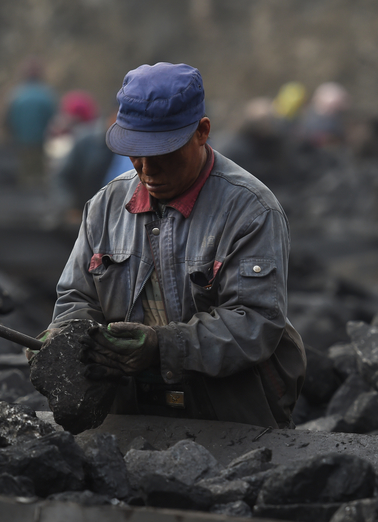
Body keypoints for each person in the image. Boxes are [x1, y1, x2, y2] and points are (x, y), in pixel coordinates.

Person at [43, 63, 306, 429]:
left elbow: (257, 321)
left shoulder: (250, 210)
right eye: (136, 152)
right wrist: (70, 339)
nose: (147, 169)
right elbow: (76, 298)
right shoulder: (105, 206)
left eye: (164, 152)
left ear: (202, 132)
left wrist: (163, 346)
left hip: (228, 413)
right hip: (130, 410)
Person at [3, 57, 56, 190]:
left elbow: (7, 120)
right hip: (41, 144)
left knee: (24, 178)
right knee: (40, 179)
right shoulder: (47, 94)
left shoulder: (15, 95)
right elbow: (53, 119)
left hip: (21, 144)